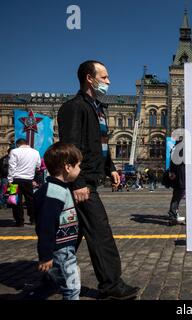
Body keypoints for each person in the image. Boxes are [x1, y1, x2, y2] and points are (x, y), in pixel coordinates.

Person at [57, 60, 139, 300]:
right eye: (104, 77)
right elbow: (69, 148)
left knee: (75, 233)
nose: (109, 81)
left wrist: (110, 167)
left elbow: (100, 144)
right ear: (89, 78)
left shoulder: (98, 108)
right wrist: (78, 182)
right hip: (81, 183)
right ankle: (111, 286)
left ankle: (53, 271)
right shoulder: (74, 107)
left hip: (92, 179)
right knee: (101, 232)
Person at [34, 142, 83, 300]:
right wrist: (45, 255)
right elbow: (46, 225)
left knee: (67, 280)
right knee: (72, 288)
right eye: (78, 166)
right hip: (60, 248)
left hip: (65, 247)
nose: (80, 170)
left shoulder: (60, 188)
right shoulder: (54, 192)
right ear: (68, 167)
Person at [7, 139, 41, 226]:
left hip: (15, 180)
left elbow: (11, 166)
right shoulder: (35, 152)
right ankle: (33, 219)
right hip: (28, 180)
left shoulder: (14, 151)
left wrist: (10, 180)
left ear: (18, 145)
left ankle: (19, 221)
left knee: (15, 201)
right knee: (30, 200)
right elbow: (38, 165)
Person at [168, 136, 186, 225]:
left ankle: (174, 213)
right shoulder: (181, 149)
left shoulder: (175, 148)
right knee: (178, 195)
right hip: (181, 175)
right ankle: (173, 215)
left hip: (178, 175)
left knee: (177, 195)